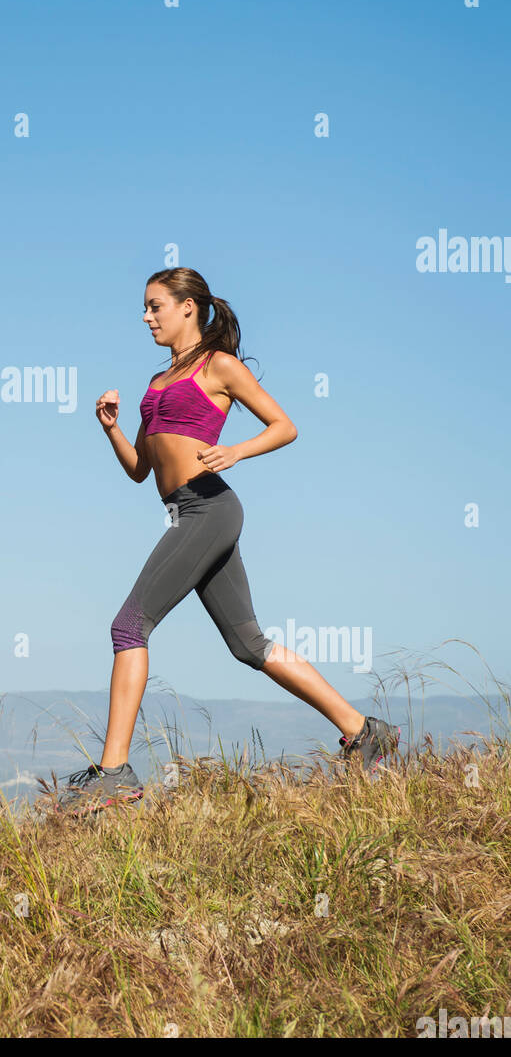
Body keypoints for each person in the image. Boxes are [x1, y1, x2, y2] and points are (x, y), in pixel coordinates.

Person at [57, 267, 399, 816]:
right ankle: (365, 731)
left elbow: (284, 426)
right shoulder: (157, 383)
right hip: (183, 512)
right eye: (145, 309)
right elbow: (141, 470)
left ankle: (115, 772)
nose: (146, 317)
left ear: (188, 307)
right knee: (248, 645)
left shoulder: (219, 366)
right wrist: (112, 429)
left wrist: (236, 451)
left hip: (210, 507)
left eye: (155, 306)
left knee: (128, 626)